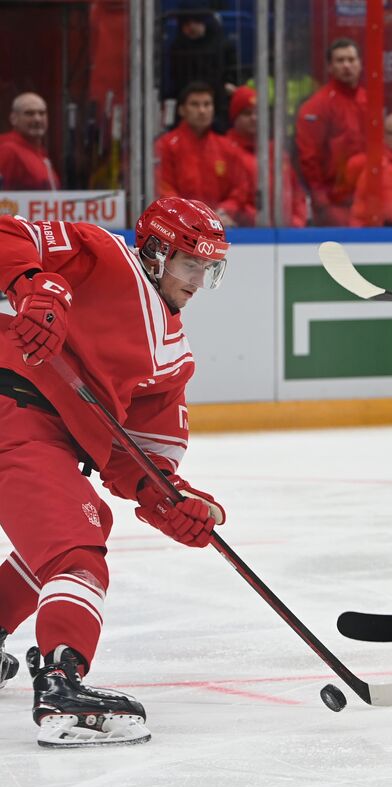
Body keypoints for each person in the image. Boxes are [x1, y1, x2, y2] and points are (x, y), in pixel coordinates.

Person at [0, 197, 228, 747]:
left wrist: (173, 501)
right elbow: (7, 232)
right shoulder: (102, 255)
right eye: (188, 264)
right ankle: (61, 685)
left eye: (209, 269)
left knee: (85, 526)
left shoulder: (175, 356)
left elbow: (138, 458)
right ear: (153, 252)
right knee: (77, 553)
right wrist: (36, 286)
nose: (197, 281)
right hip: (14, 409)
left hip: (46, 437)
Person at [154, 82, 248, 227]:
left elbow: (239, 190)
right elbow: (164, 188)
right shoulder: (166, 145)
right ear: (182, 110)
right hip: (178, 228)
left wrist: (224, 211)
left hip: (218, 225)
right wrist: (188, 216)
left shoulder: (227, 147)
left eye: (207, 104)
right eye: (195, 104)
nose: (202, 110)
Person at [295, 38, 368, 226]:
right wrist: (320, 197)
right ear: (330, 67)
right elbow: (309, 155)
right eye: (340, 60)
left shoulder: (368, 100)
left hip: (367, 196)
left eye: (351, 60)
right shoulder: (317, 105)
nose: (347, 65)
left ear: (360, 64)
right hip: (334, 201)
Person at [226, 86, 308, 227]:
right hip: (244, 233)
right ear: (235, 117)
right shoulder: (225, 150)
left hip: (284, 232)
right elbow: (233, 200)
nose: (254, 118)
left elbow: (295, 192)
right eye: (247, 113)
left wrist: (296, 221)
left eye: (258, 113)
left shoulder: (276, 152)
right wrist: (260, 221)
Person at [161, 11, 241, 131]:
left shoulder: (223, 45)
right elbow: (172, 78)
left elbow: (233, 73)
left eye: (196, 22)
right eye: (186, 24)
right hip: (186, 103)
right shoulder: (177, 47)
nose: (191, 27)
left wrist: (228, 84)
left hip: (218, 103)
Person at [0, 93, 59, 190]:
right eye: (29, 113)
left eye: (42, 113)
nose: (37, 119)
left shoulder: (40, 153)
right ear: (13, 119)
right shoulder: (8, 150)